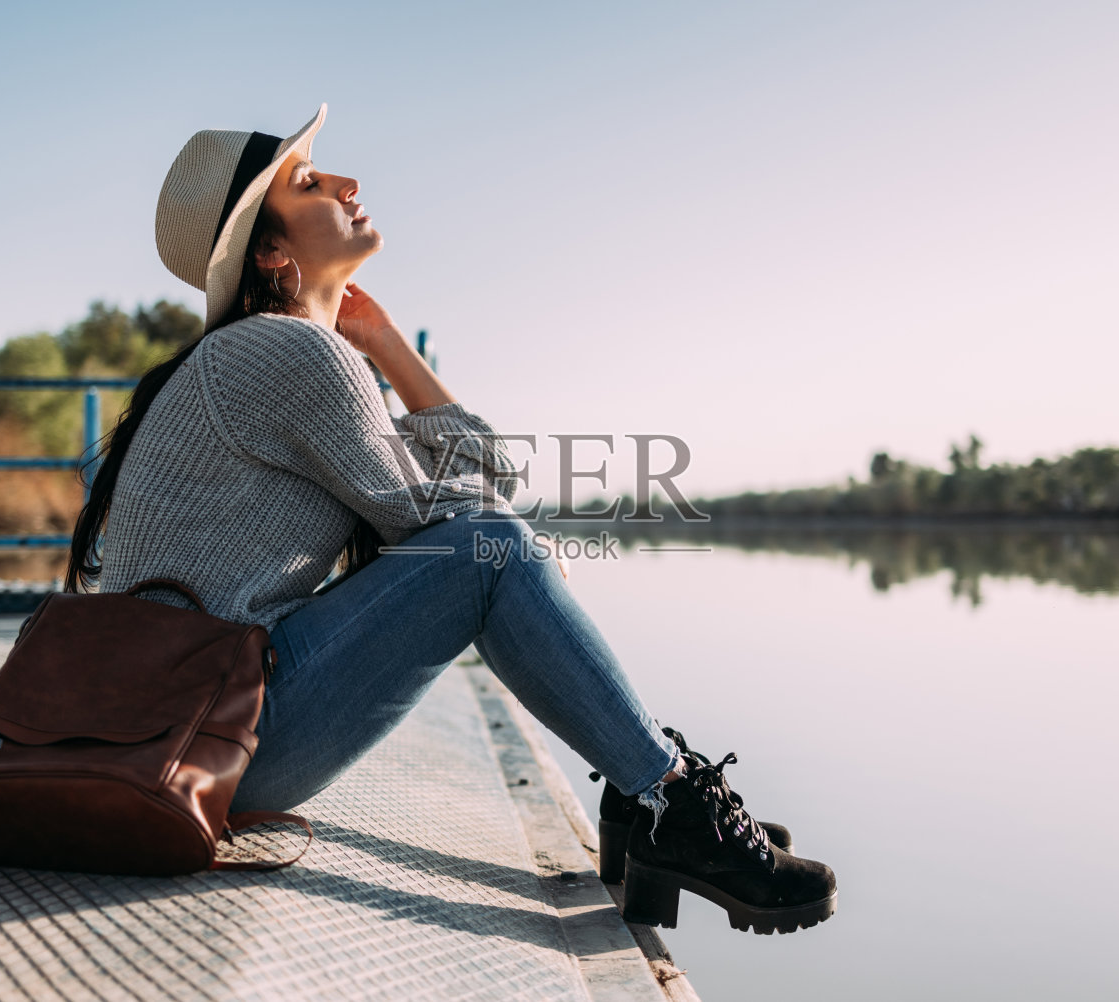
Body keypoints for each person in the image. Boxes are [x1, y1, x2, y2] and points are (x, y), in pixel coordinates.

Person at [64, 104, 835, 935]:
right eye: (309, 182)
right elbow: (467, 515)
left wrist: (386, 342)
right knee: (496, 552)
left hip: (194, 726)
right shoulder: (287, 353)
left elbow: (480, 486)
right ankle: (666, 801)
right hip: (217, 739)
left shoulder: (279, 352)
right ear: (271, 252)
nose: (347, 182)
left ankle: (646, 791)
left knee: (495, 546)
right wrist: (507, 536)